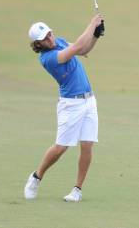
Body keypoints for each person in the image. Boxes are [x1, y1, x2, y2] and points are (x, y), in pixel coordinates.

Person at [23, 14, 105, 202]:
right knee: (61, 148)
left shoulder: (59, 42)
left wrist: (95, 36)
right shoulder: (48, 58)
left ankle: (77, 189)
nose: (50, 39)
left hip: (89, 100)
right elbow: (76, 46)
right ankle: (36, 177)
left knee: (87, 145)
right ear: (38, 45)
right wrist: (92, 23)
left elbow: (83, 50)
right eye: (44, 38)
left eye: (49, 34)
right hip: (71, 105)